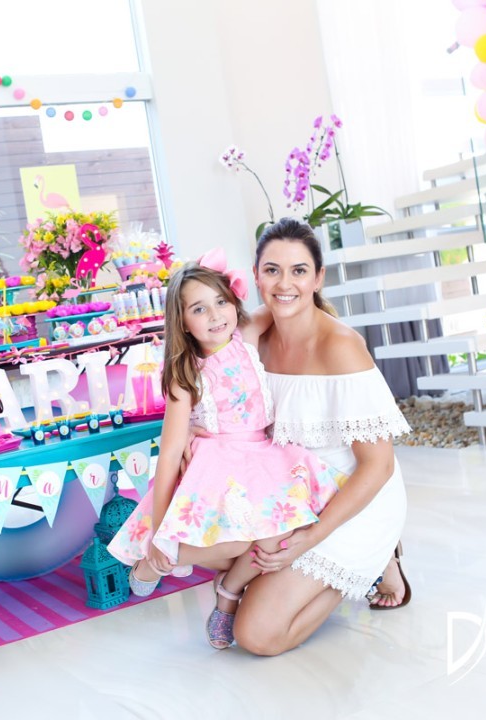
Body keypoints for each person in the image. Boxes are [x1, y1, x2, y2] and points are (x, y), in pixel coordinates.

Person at [107, 249, 344, 649]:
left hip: (266, 457)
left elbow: (285, 302)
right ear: (182, 322)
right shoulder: (186, 373)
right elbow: (170, 452)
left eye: (221, 301)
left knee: (285, 532)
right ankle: (157, 559)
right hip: (221, 464)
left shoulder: (245, 336)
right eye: (199, 309)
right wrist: (161, 530)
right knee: (236, 541)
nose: (215, 315)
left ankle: (229, 591)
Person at [230, 217, 412, 656]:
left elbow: (378, 466)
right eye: (272, 270)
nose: (284, 283)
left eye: (298, 271)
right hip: (294, 497)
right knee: (214, 544)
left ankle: (371, 562)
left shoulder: (340, 347)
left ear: (318, 278)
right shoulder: (255, 339)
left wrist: (311, 539)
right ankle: (369, 562)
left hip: (353, 501)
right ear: (256, 276)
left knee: (256, 635)